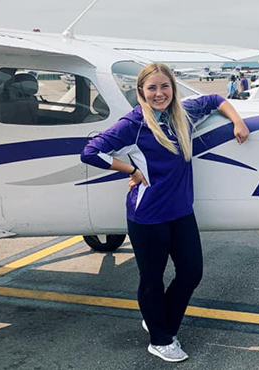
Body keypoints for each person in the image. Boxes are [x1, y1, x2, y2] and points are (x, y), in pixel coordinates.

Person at [81, 63, 249, 362]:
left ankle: (159, 320)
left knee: (191, 273)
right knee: (152, 279)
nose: (159, 93)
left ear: (173, 87)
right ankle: (160, 340)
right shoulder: (134, 124)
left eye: (164, 86)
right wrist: (130, 169)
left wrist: (238, 122)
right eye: (152, 88)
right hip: (148, 216)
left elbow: (215, 100)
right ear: (141, 92)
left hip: (181, 211)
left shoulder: (181, 115)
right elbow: (91, 151)